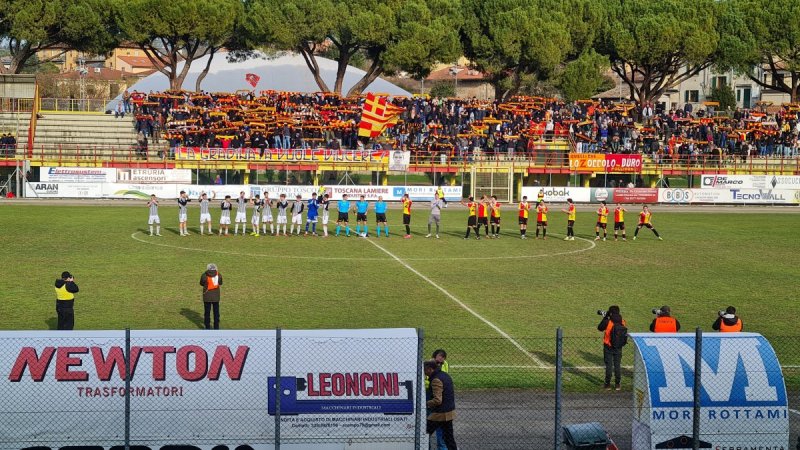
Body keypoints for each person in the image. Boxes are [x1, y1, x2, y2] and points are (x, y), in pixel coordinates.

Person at [424, 360, 458, 450]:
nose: (424, 373)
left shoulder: (436, 380)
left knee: (424, 434)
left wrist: (424, 404)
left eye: (425, 370)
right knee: (449, 438)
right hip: (449, 412)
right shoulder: (445, 375)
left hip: (439, 414)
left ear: (430, 369)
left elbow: (437, 400)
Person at [598, 305, 626, 391]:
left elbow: (599, 328)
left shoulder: (608, 321)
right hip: (619, 346)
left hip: (608, 346)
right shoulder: (623, 321)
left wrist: (605, 317)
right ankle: (617, 384)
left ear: (610, 312)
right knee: (617, 365)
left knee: (609, 366)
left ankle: (607, 384)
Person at [200, 263, 222, 329]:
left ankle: (207, 327)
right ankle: (216, 327)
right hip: (216, 296)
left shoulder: (204, 275)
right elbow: (220, 283)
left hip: (207, 296)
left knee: (207, 312)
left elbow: (201, 283)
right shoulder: (218, 274)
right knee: (216, 312)